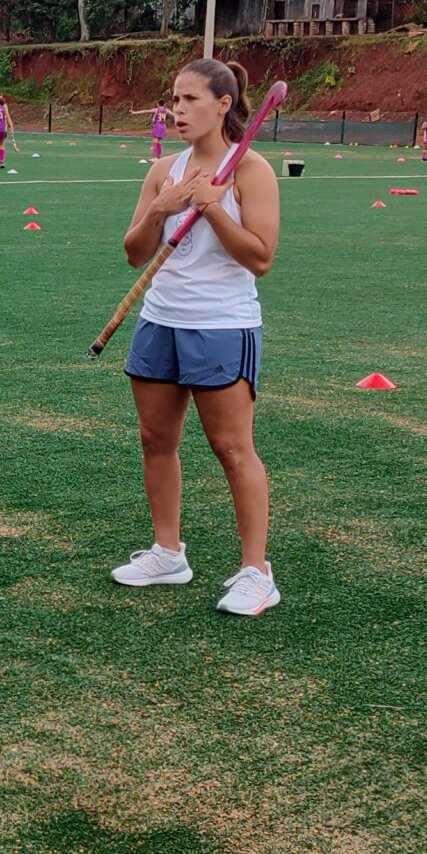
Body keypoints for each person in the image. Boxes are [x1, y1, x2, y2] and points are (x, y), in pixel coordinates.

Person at [109, 57, 282, 618]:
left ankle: (257, 572)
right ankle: (168, 552)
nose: (177, 110)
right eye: (174, 100)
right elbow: (136, 252)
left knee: (233, 448)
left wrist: (213, 210)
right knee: (156, 441)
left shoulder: (252, 171)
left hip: (222, 323)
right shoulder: (164, 169)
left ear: (223, 104)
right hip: (160, 319)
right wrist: (161, 208)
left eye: (190, 100)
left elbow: (260, 258)